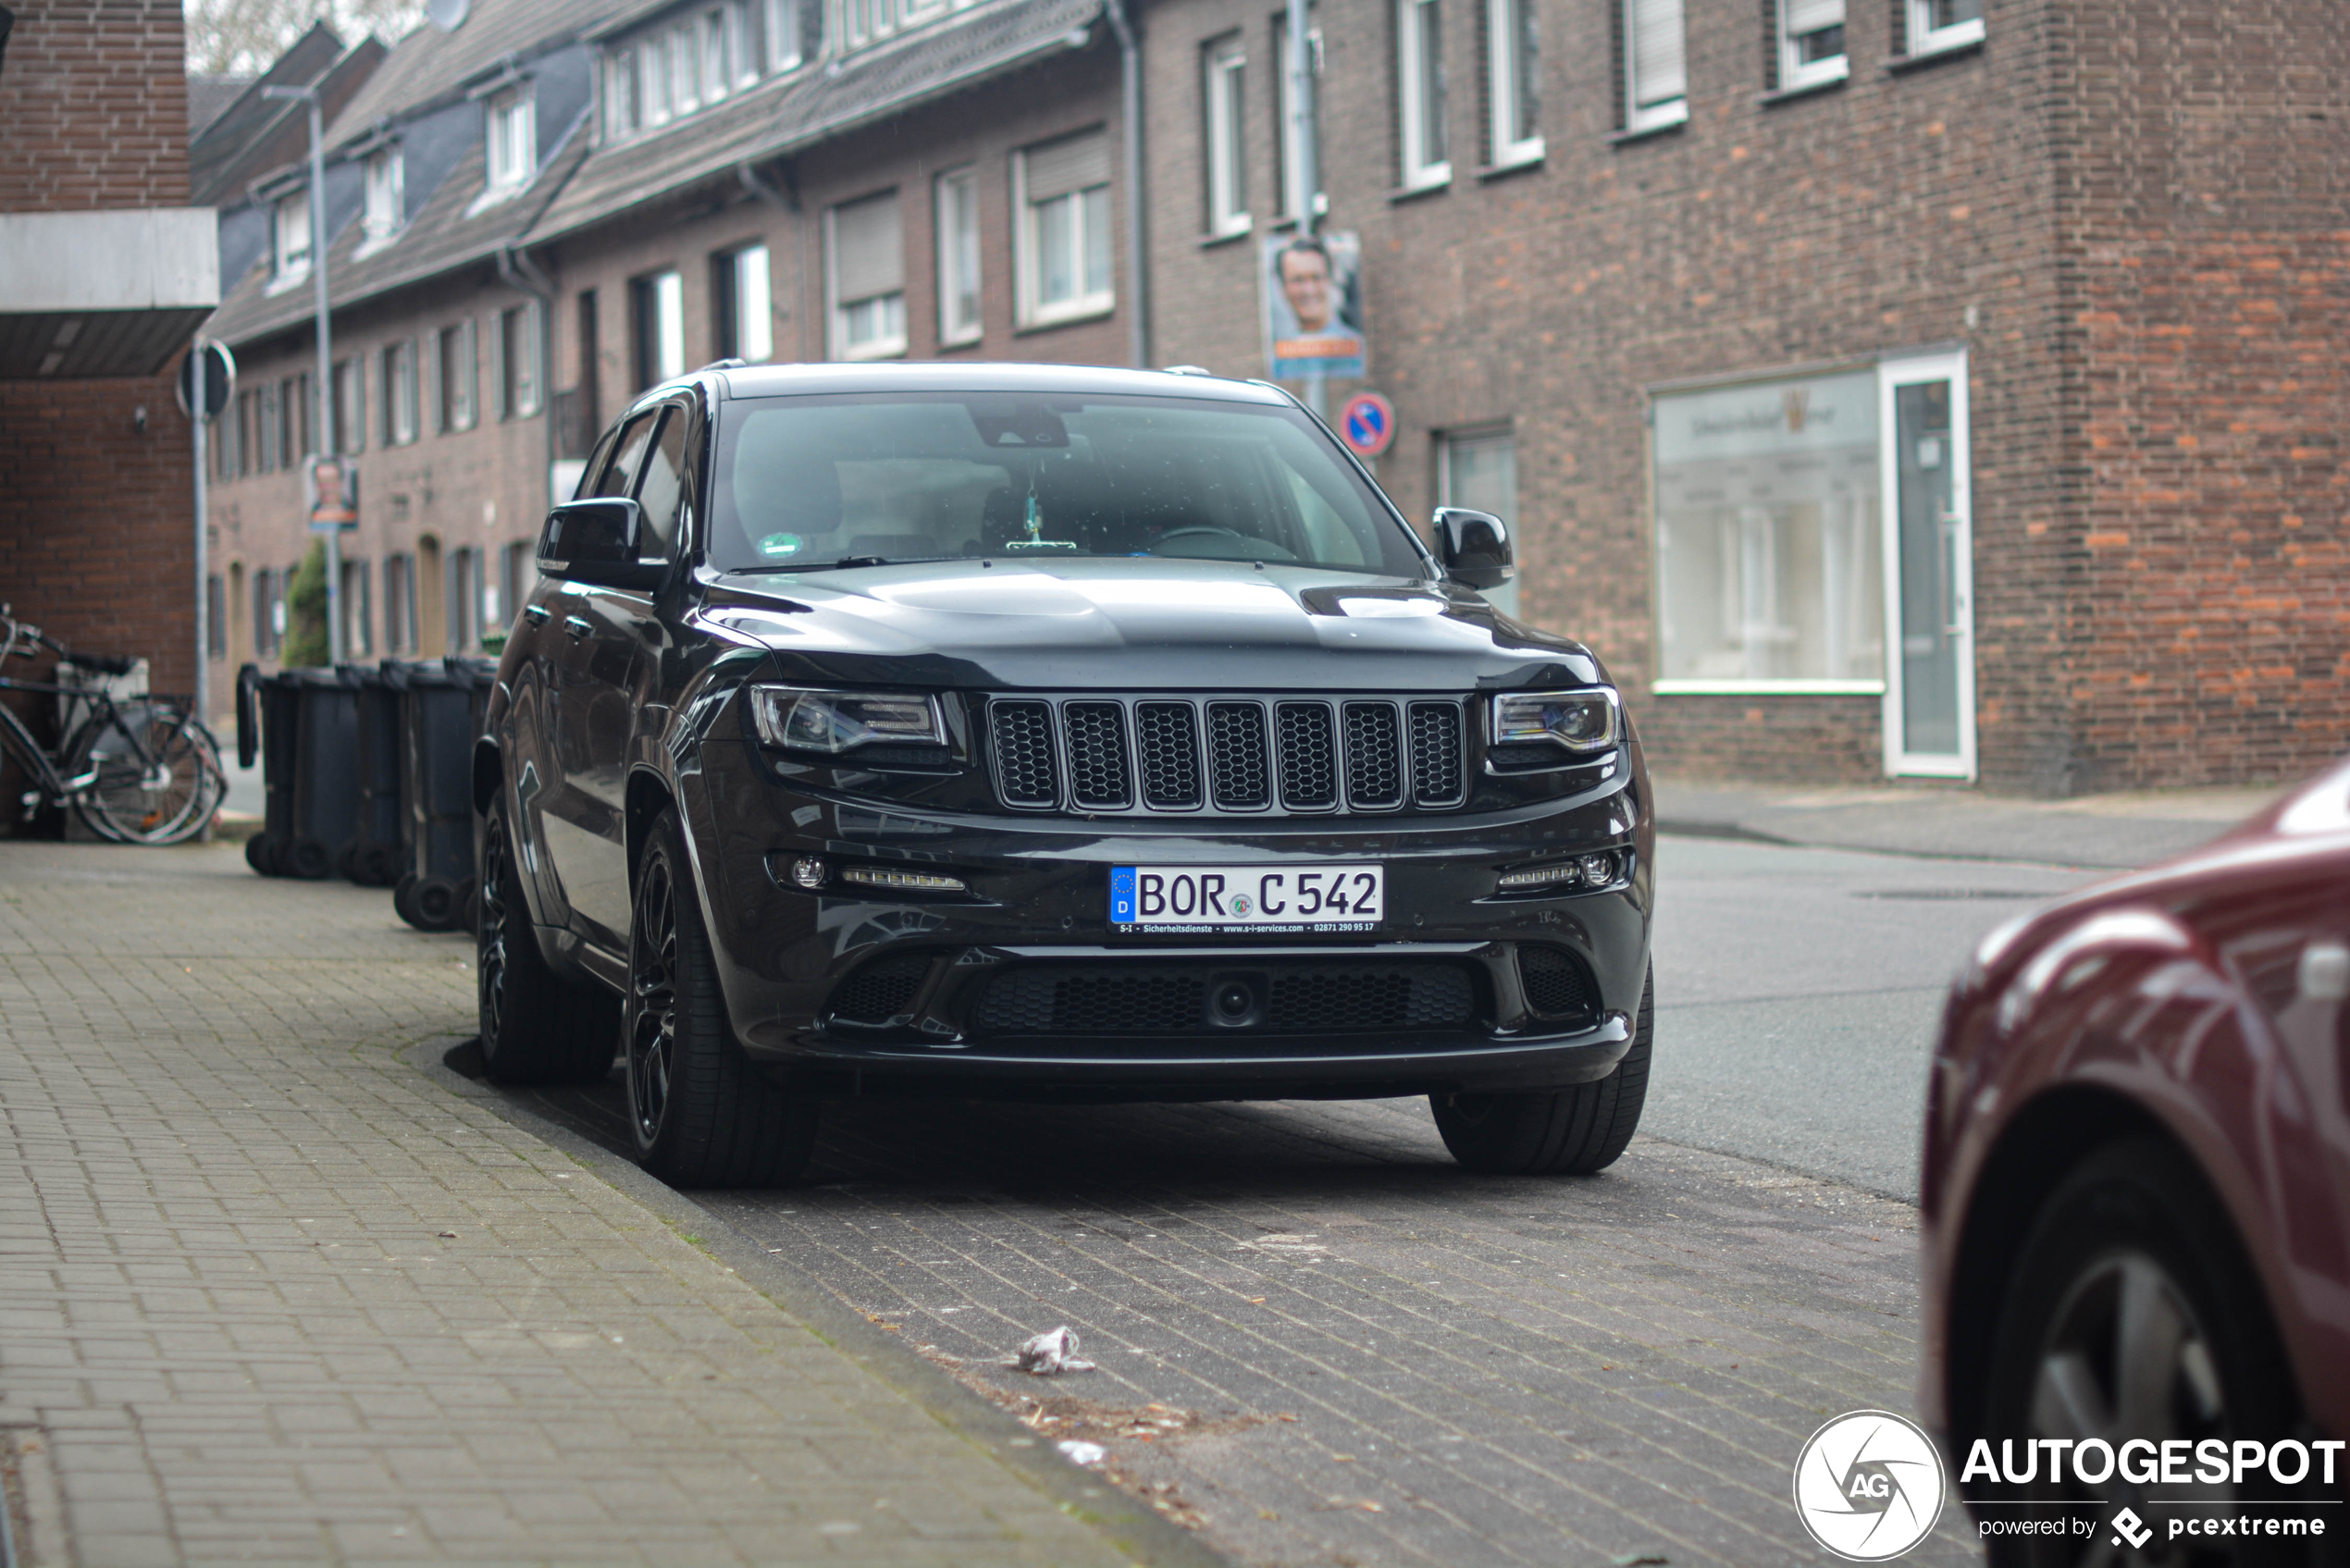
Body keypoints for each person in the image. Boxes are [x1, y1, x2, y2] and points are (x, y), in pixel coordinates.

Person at [1272, 237, 1364, 362]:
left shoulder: (1355, 345)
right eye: (1298, 280)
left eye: (1316, 278)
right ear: (1283, 287)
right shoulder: (1280, 356)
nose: (1309, 290)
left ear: (1330, 280)